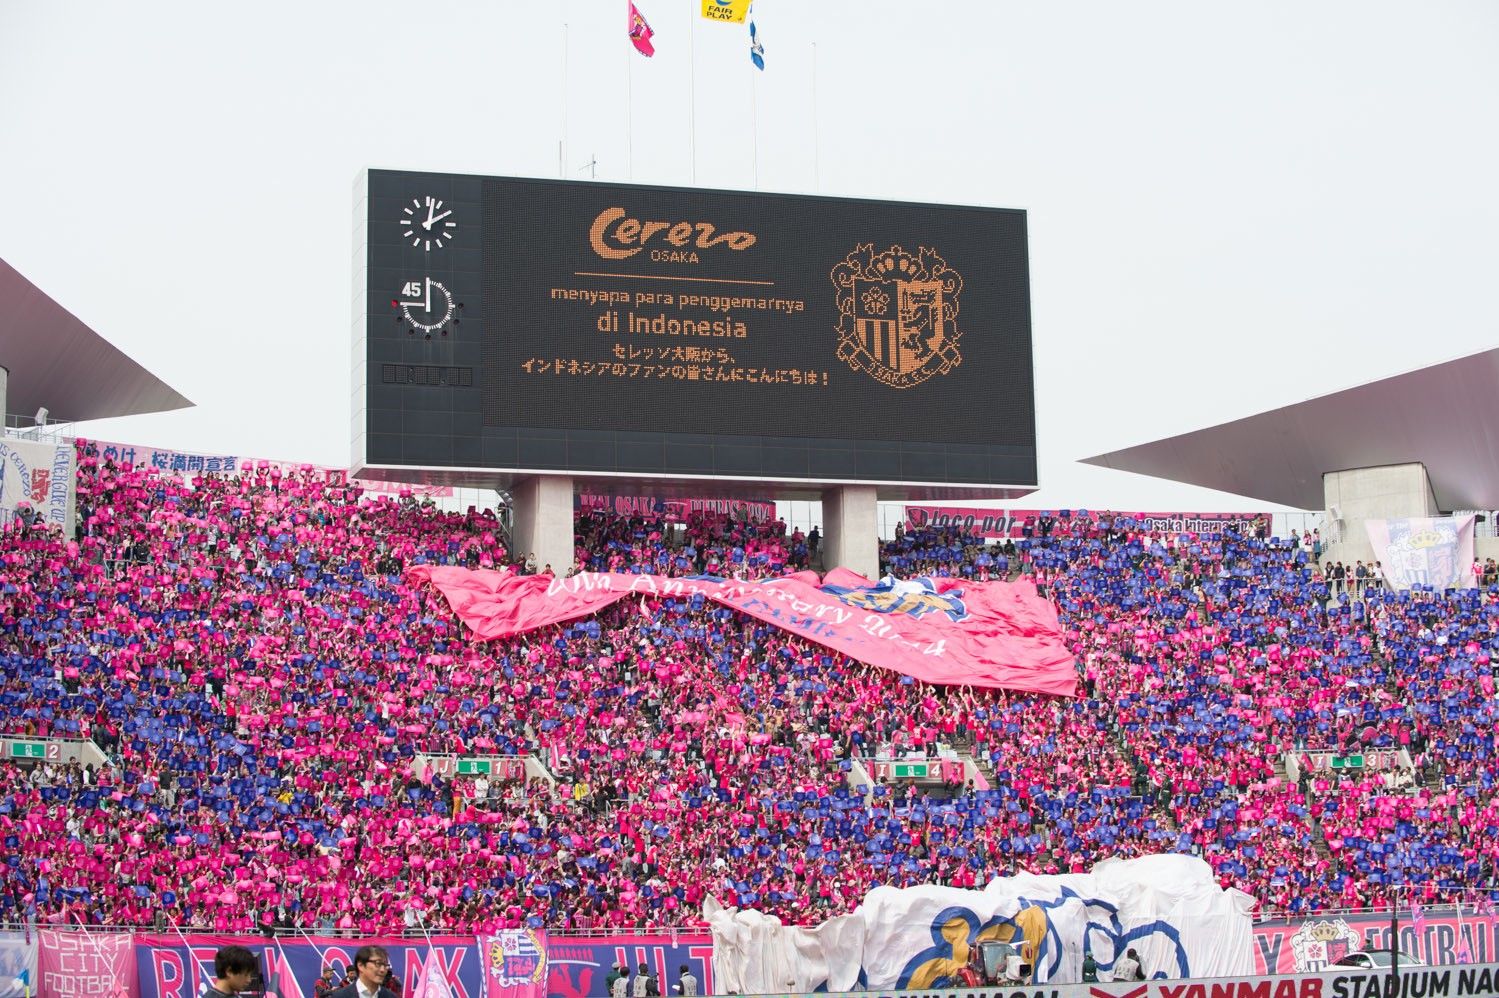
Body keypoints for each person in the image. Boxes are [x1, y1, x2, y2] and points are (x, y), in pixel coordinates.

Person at [329, 947, 398, 998]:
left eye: (385, 965)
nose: (382, 970)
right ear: (361, 965)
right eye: (378, 964)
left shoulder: (390, 996)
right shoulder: (340, 996)